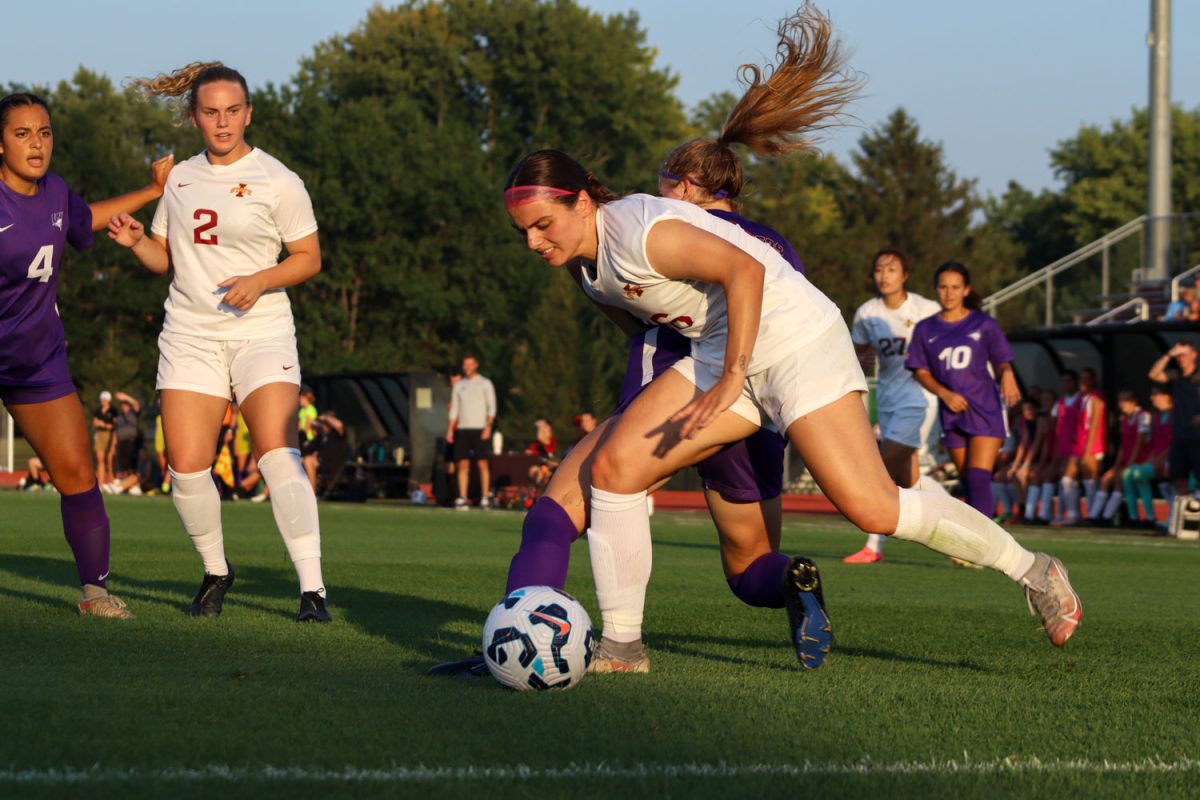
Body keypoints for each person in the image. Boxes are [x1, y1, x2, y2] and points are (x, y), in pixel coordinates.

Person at [431, 10, 844, 679]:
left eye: (667, 182)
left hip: (689, 391)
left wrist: (707, 360)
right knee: (748, 568)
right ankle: (793, 582)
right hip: (754, 406)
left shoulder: (650, 236)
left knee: (551, 516)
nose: (658, 194)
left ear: (690, 188)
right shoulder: (769, 242)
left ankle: (533, 644)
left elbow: (657, 322)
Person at [107, 62, 330, 622]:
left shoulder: (278, 179)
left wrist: (261, 279)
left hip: (261, 332)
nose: (223, 122)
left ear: (248, 113)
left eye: (233, 111)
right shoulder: (179, 178)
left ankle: (312, 591)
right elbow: (166, 259)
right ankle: (215, 571)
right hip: (190, 335)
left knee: (278, 453)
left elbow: (309, 259)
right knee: (185, 467)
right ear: (193, 116)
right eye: (211, 112)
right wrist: (137, 241)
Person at [0, 92, 170, 618]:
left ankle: (95, 593)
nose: (36, 143)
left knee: (76, 473)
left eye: (44, 132)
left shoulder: (54, 192)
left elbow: (85, 218)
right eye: (22, 133)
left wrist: (152, 190)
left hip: (37, 361)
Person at [842, 248, 943, 564]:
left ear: (905, 276)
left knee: (881, 465)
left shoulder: (926, 309)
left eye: (891, 269)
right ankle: (965, 530)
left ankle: (874, 545)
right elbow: (854, 355)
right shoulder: (867, 313)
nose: (884, 275)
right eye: (879, 269)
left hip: (920, 397)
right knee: (910, 481)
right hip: (887, 398)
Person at [906, 263, 1022, 523]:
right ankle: (976, 541)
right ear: (936, 289)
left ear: (966, 290)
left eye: (955, 287)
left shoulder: (984, 324)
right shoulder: (925, 329)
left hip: (985, 409)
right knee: (969, 482)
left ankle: (986, 548)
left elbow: (1002, 360)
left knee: (979, 476)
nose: (949, 293)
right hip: (952, 412)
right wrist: (944, 394)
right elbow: (920, 371)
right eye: (943, 287)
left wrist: (1007, 373)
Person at [1149, 341, 1200, 532]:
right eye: (1179, 356)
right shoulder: (1176, 376)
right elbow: (1153, 374)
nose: (1181, 359)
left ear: (1194, 355)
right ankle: (1184, 520)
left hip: (1197, 436)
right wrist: (1169, 355)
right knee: (1179, 479)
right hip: (1180, 435)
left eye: (1184, 355)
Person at [1088, 390, 1150, 525]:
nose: (1121, 404)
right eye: (1120, 401)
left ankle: (1106, 517)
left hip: (1141, 461)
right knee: (1106, 478)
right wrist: (1117, 465)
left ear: (1134, 401)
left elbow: (1139, 444)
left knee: (1119, 481)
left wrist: (1128, 465)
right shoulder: (1124, 418)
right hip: (1127, 461)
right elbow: (1123, 445)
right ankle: (1093, 516)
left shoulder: (1143, 416)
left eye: (1125, 400)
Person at [446, 353, 496, 510]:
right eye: (465, 364)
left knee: (482, 463)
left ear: (476, 365)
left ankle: (485, 497)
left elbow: (492, 406)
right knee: (462, 464)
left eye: (470, 364)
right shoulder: (459, 385)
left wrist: (488, 426)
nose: (467, 367)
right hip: (462, 429)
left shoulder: (485, 383)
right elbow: (454, 409)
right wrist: (450, 430)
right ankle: (462, 497)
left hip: (479, 429)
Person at [1122, 384, 1173, 528]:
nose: (1152, 398)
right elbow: (1154, 444)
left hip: (1171, 459)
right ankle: (1139, 517)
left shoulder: (1175, 414)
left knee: (1139, 474)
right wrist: (1152, 458)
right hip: (1157, 459)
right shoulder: (1156, 417)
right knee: (1127, 474)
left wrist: (1162, 458)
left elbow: (1174, 442)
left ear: (1167, 396)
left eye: (1156, 394)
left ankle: (1168, 516)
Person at [91, 391, 116, 487]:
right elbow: (95, 422)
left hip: (109, 435)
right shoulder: (98, 410)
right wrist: (100, 424)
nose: (103, 401)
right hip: (99, 434)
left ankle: (112, 482)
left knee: (109, 459)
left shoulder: (113, 410)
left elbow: (114, 425)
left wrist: (104, 424)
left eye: (105, 400)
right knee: (100, 459)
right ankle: (100, 483)